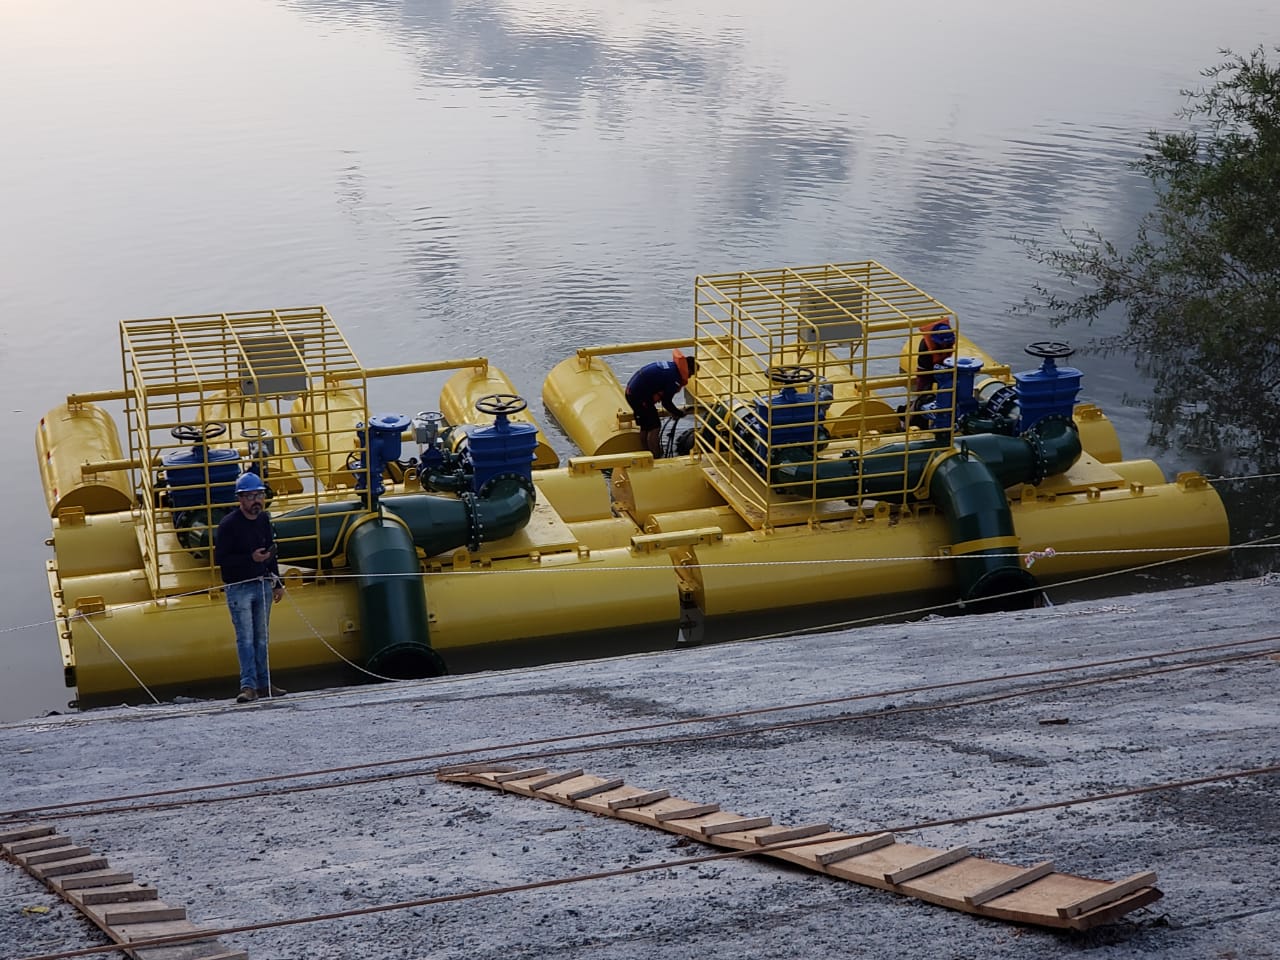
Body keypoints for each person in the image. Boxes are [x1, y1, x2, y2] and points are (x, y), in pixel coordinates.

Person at [215, 472, 285, 703]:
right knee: (245, 638)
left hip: (262, 584)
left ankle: (264, 684)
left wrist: (278, 583)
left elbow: (270, 551)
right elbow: (222, 559)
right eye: (251, 496)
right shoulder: (228, 525)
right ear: (241, 499)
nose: (257, 500)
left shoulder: (264, 519)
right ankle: (248, 686)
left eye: (260, 495)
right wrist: (250, 559)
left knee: (262, 638)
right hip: (239, 588)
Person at [626, 352, 698, 458]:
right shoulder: (675, 378)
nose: (690, 377)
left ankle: (646, 452)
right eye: (691, 374)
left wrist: (673, 411)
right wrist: (678, 413)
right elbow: (666, 402)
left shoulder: (673, 368)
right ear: (689, 369)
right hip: (639, 397)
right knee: (655, 427)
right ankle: (656, 456)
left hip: (632, 392)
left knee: (645, 426)